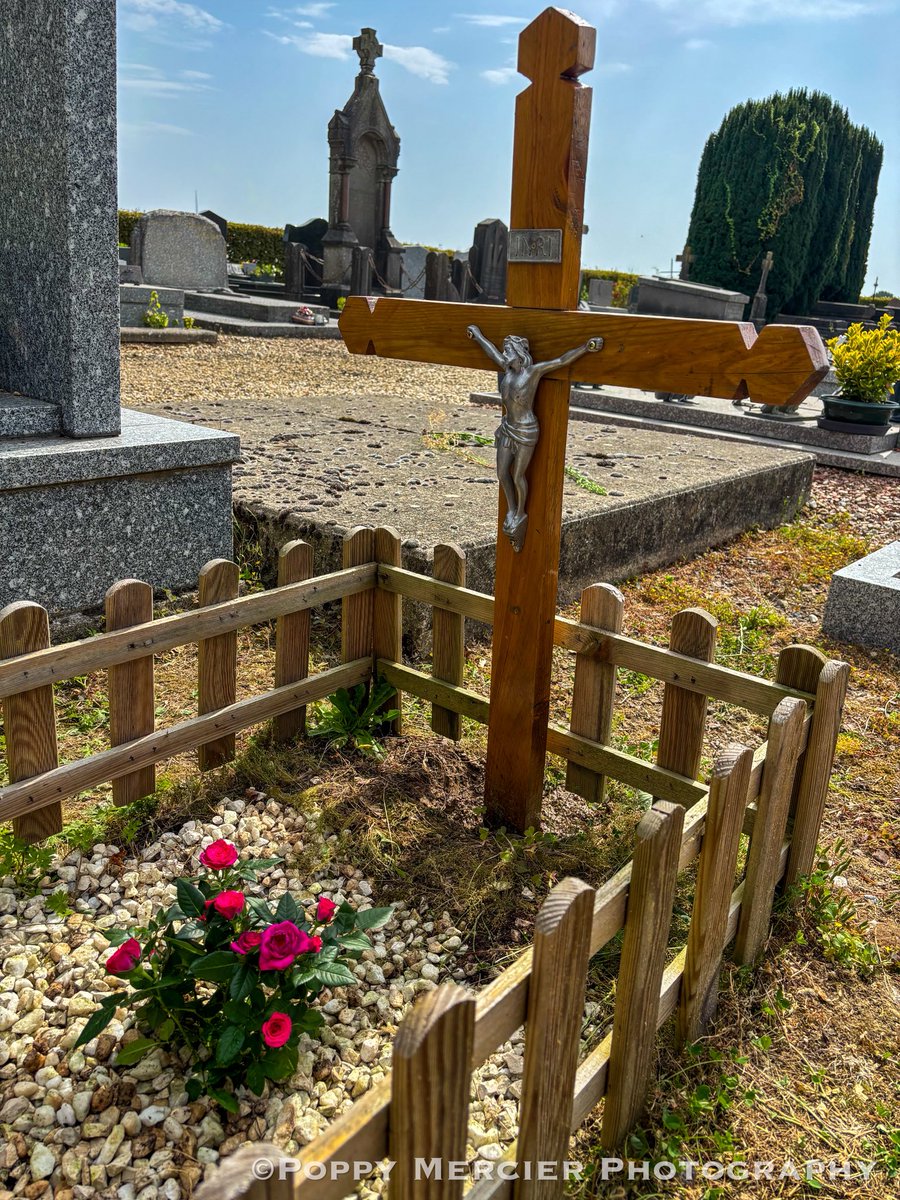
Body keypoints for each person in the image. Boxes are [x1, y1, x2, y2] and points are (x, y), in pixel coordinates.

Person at [466, 326, 602, 551]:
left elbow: (560, 361)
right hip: (508, 427)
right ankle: (511, 509)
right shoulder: (507, 368)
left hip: (527, 429)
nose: (505, 353)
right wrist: (478, 335)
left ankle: (520, 513)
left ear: (519, 353)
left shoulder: (533, 372)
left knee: (518, 474)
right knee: (501, 473)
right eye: (505, 350)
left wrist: (586, 348)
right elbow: (491, 352)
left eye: (508, 350)